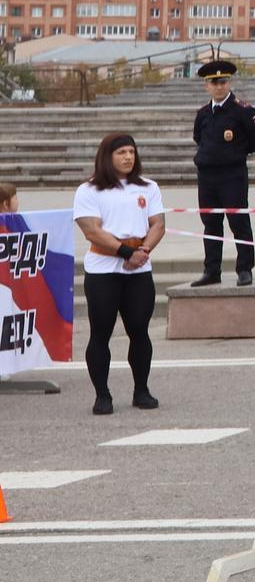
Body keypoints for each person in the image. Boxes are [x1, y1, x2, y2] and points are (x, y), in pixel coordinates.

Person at [72, 132, 164, 415]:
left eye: (131, 152)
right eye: (121, 152)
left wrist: (143, 251)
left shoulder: (148, 187)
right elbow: (92, 230)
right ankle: (103, 394)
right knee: (101, 331)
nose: (127, 157)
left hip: (139, 268)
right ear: (107, 157)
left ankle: (141, 390)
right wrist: (125, 253)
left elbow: (158, 224)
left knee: (139, 329)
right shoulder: (89, 190)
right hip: (104, 269)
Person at [188, 59, 255, 287]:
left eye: (223, 81)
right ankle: (212, 270)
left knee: (238, 222)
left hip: (232, 175)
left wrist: (237, 152)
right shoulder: (203, 113)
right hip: (207, 176)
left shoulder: (243, 111)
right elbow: (198, 139)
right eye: (214, 83)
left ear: (229, 83)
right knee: (211, 223)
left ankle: (244, 268)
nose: (219, 86)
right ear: (206, 86)